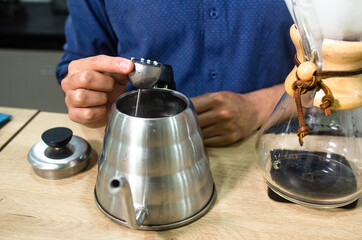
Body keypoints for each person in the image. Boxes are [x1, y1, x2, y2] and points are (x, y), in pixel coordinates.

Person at [57, 0, 295, 147]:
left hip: (277, 144)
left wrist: (259, 107)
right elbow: (78, 62)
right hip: (140, 151)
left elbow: (330, 68)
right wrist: (92, 98)